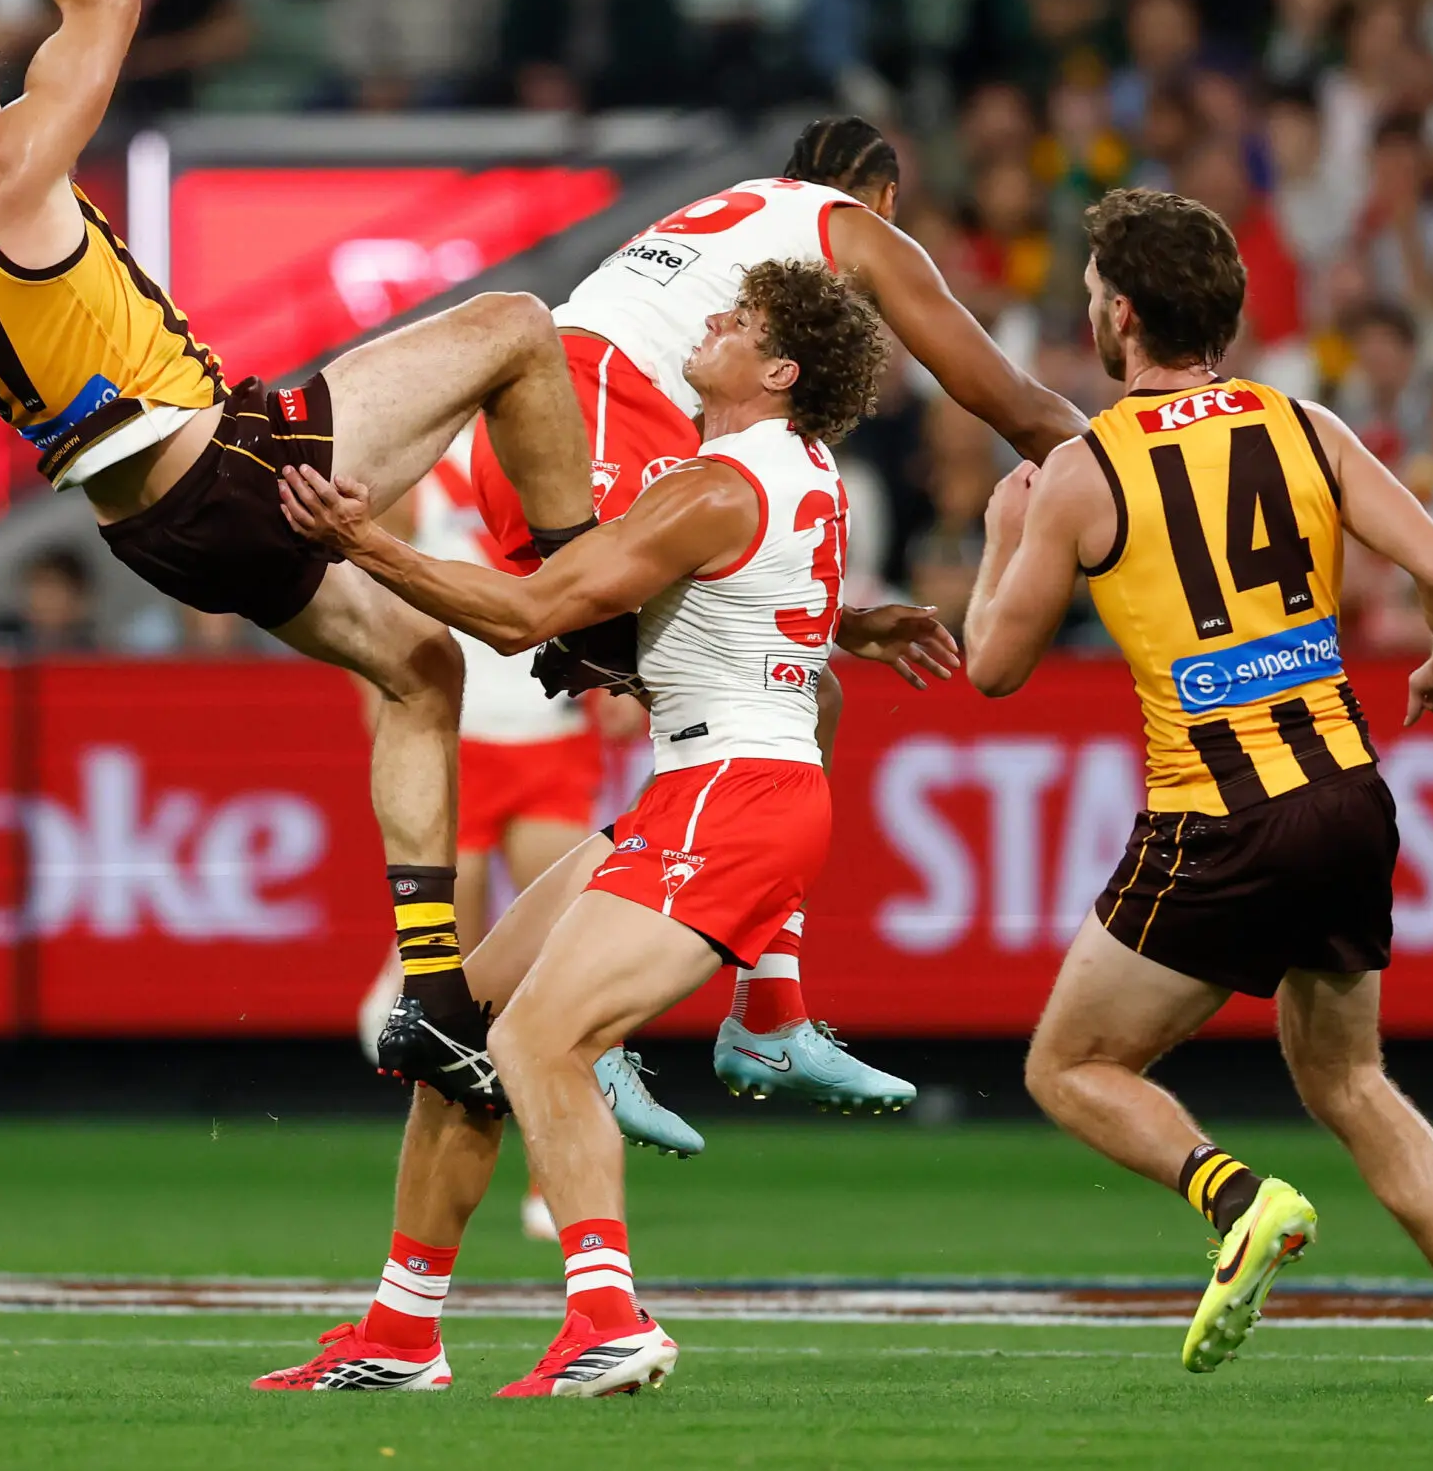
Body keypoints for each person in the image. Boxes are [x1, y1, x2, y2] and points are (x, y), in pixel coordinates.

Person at [0, 0, 597, 1110]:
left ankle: (431, 999)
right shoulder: (9, 171)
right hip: (220, 462)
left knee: (422, 669)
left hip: (151, 533)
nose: (8, 97)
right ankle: (588, 611)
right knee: (519, 331)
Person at [260, 260, 959, 1396]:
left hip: (725, 801)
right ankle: (398, 1335)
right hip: (710, 789)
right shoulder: (791, 473)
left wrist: (363, 544)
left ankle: (609, 1320)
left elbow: (528, 613)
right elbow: (761, 618)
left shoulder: (714, 489)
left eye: (739, 322)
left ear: (777, 371)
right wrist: (857, 624)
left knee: (536, 1042)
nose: (711, 321)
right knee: (457, 1038)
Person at [960, 188, 1433, 1405]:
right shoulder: (1305, 425)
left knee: (1068, 1066)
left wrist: (998, 530)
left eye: (1090, 292)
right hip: (1346, 795)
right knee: (1346, 1078)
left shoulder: (1080, 473)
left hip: (1217, 815)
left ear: (1121, 314)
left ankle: (1237, 1198)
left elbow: (992, 667)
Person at [462, 113, 1089, 1114]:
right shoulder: (846, 225)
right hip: (592, 406)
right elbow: (998, 393)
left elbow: (723, 571)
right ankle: (595, 1022)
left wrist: (841, 618)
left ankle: (766, 1009)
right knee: (689, 691)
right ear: (873, 197)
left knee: (798, 697)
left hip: (538, 424)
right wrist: (1133, 465)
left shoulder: (725, 226)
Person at [355, 422, 702, 1214]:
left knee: (562, 953)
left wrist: (623, 676)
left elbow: (612, 576)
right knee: (464, 987)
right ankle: (454, 1157)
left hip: (551, 734)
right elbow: (377, 593)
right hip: (466, 734)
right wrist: (388, 712)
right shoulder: (423, 461)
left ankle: (552, 1173)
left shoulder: (567, 462)